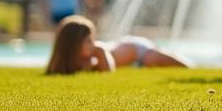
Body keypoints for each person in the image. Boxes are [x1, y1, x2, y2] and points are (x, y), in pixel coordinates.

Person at [45, 15, 188, 74]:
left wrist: (101, 53)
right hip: (132, 59)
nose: (92, 43)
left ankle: (188, 66)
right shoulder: (70, 60)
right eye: (88, 41)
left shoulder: (98, 50)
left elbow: (108, 71)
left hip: (138, 50)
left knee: (156, 60)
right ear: (73, 44)